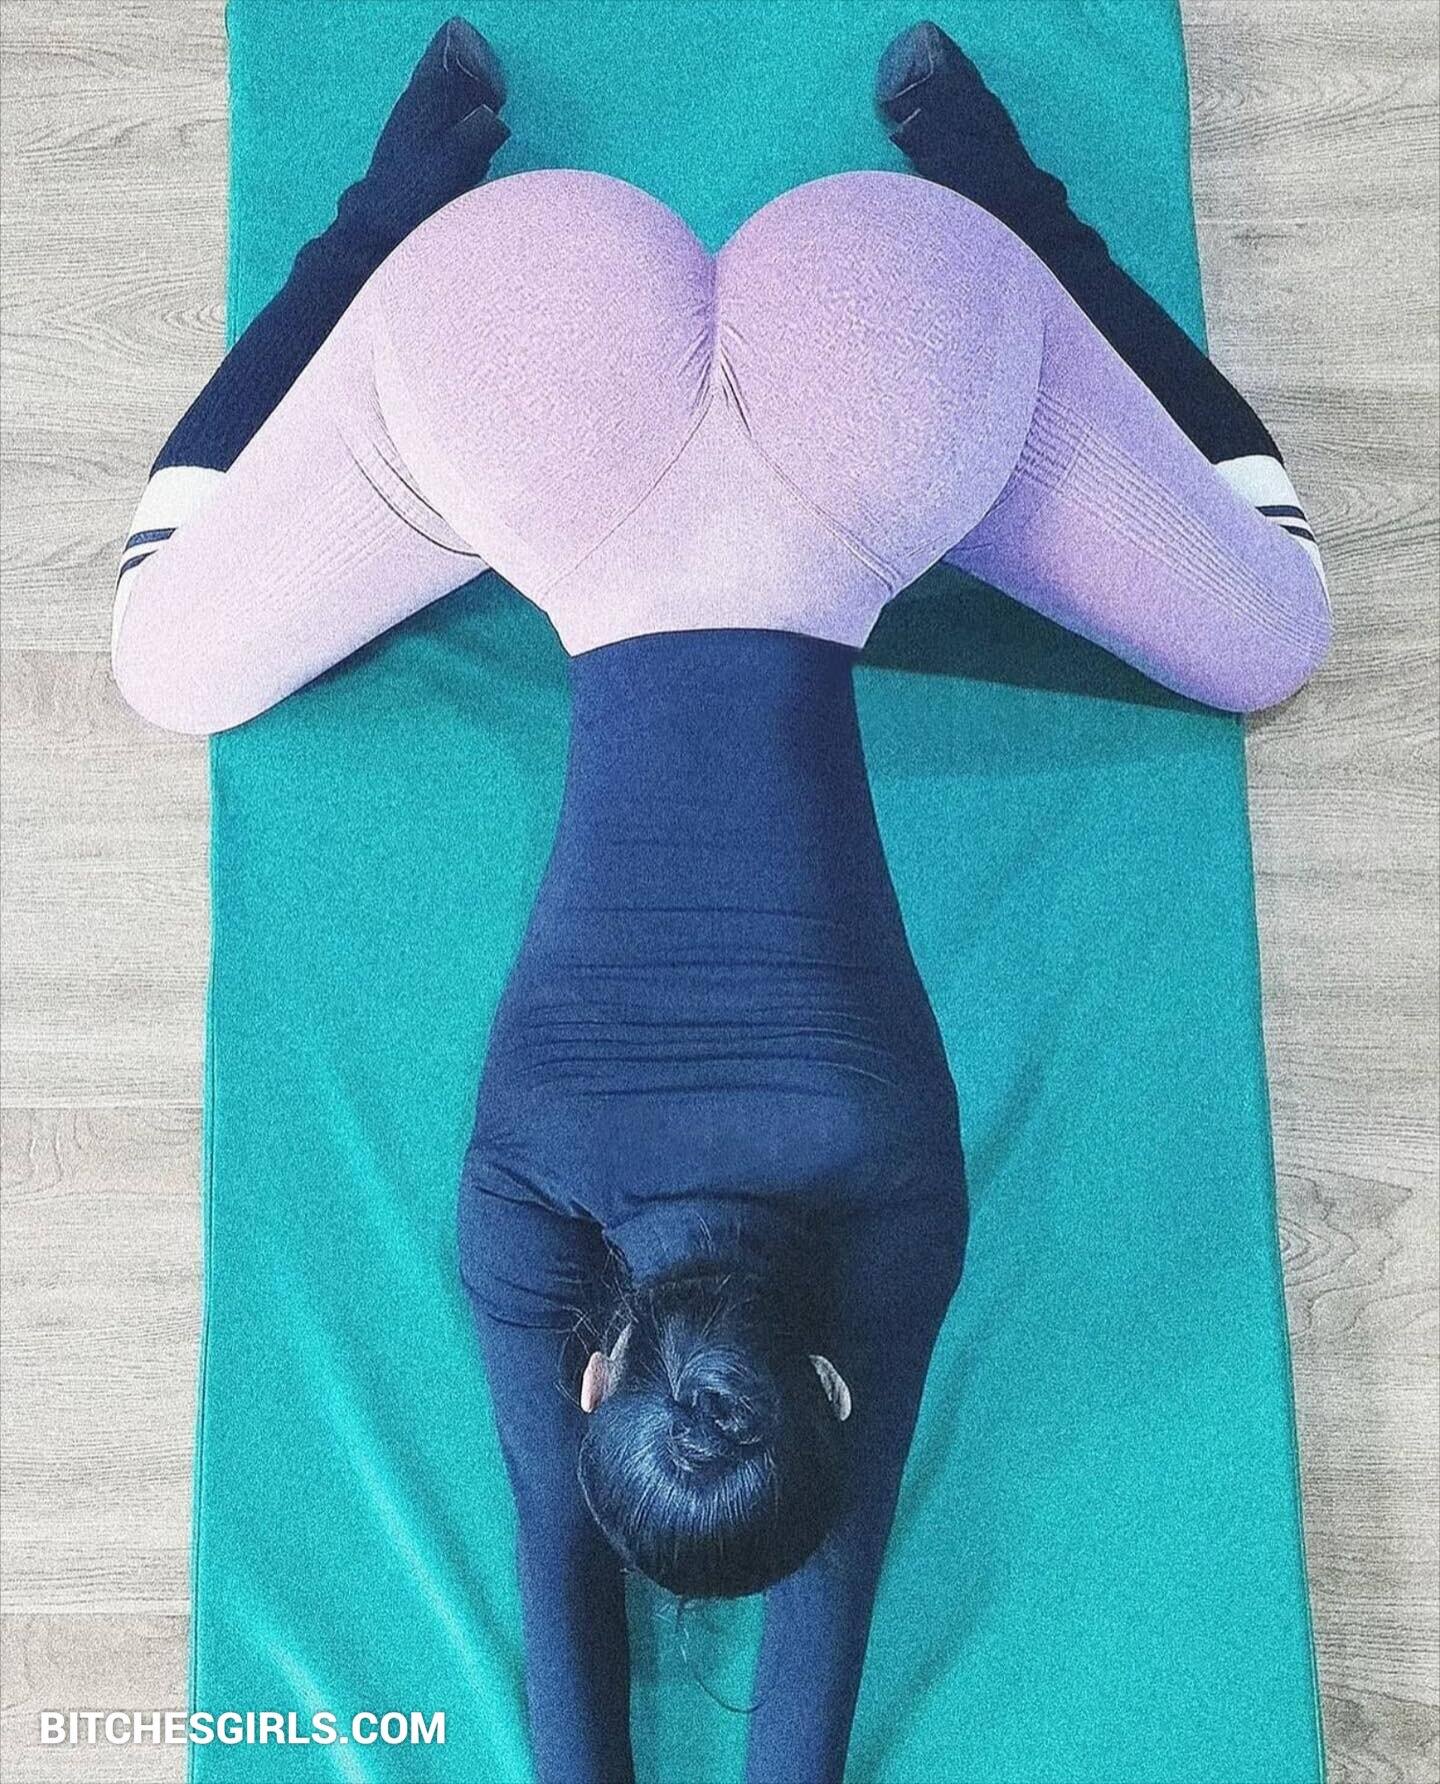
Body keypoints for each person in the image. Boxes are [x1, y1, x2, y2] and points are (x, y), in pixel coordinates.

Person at [109, 19, 1332, 1784]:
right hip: (530, 352)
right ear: (591, 1378)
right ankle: (395, 215)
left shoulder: (900, 1204)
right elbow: (560, 1569)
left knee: (1279, 627)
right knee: (162, 656)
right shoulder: (523, 1209)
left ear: (829, 1382)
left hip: (885, 346)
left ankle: (998, 200)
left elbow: (812, 1613)